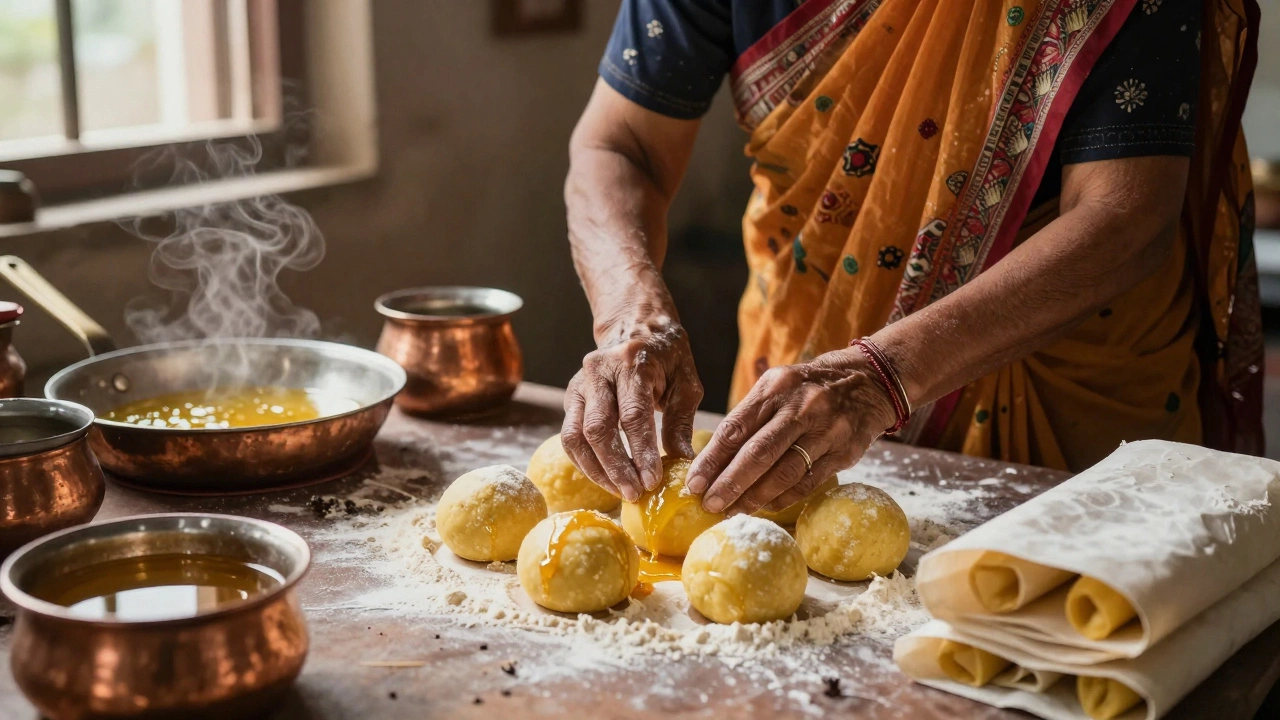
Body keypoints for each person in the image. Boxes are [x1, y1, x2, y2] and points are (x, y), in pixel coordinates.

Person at [561, 0, 1263, 516]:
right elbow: (622, 146)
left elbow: (1124, 219)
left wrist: (877, 379)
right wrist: (633, 315)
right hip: (799, 374)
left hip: (1063, 406)